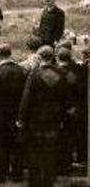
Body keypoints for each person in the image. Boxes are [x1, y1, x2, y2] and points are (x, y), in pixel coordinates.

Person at [17, 46, 67, 187]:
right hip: (55, 119)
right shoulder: (61, 75)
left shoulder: (34, 75)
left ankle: (36, 182)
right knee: (51, 152)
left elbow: (26, 99)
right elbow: (65, 99)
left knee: (35, 153)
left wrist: (21, 118)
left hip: (36, 120)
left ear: (40, 57)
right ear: (53, 57)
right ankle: (48, 181)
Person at [0, 44, 27, 183]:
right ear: (10, 54)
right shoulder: (22, 71)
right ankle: (17, 173)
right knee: (16, 145)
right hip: (16, 113)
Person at [57, 48, 86, 170]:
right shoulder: (78, 70)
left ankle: (64, 163)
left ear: (59, 58)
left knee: (63, 137)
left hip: (64, 109)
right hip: (75, 108)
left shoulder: (61, 72)